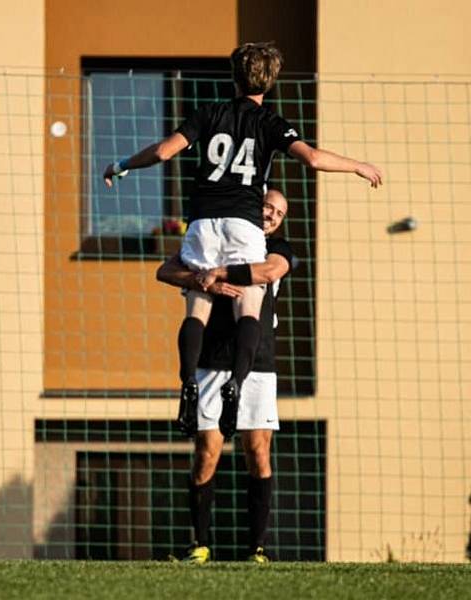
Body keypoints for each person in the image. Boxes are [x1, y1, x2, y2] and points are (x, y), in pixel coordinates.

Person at [105, 42, 381, 440]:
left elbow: (165, 152)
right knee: (249, 303)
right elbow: (314, 159)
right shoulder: (270, 121)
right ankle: (237, 380)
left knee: (198, 301)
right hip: (243, 223)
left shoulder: (208, 112)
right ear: (270, 83)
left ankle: (188, 381)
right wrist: (358, 165)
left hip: (202, 222)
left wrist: (123, 165)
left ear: (233, 77)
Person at [157, 189, 295, 564]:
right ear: (253, 206)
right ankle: (199, 544)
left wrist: (219, 272)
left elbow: (271, 271)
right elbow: (166, 270)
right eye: (266, 207)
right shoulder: (213, 243)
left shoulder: (277, 247)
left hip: (258, 365)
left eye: (278, 213)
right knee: (206, 454)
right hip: (211, 361)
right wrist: (207, 280)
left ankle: (257, 550)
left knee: (258, 452)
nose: (270, 215)